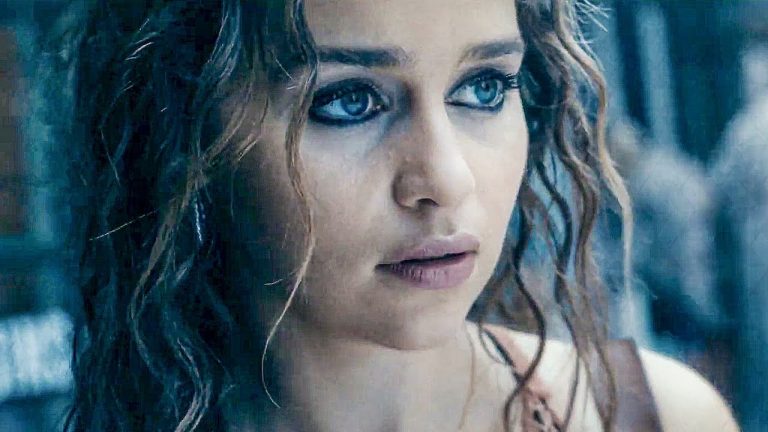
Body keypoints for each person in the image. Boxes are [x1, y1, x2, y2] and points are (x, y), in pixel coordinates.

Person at [55, 0, 739, 431]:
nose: (446, 178)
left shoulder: (657, 416)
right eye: (349, 101)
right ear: (190, 142)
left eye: (484, 87)